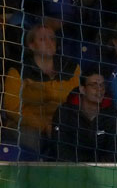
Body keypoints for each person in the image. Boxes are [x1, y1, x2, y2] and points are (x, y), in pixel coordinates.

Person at [3, 24, 80, 155]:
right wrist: (44, 125)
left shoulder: (71, 68)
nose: (50, 43)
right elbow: (12, 108)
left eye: (52, 39)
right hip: (28, 127)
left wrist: (58, 125)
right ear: (32, 45)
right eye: (43, 39)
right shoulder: (18, 71)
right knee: (30, 137)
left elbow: (78, 100)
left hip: (63, 124)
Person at [50, 68, 117, 162]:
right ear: (82, 89)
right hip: (70, 170)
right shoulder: (65, 113)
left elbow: (116, 154)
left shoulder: (112, 116)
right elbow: (60, 151)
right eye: (94, 85)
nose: (99, 90)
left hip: (103, 172)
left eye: (102, 85)